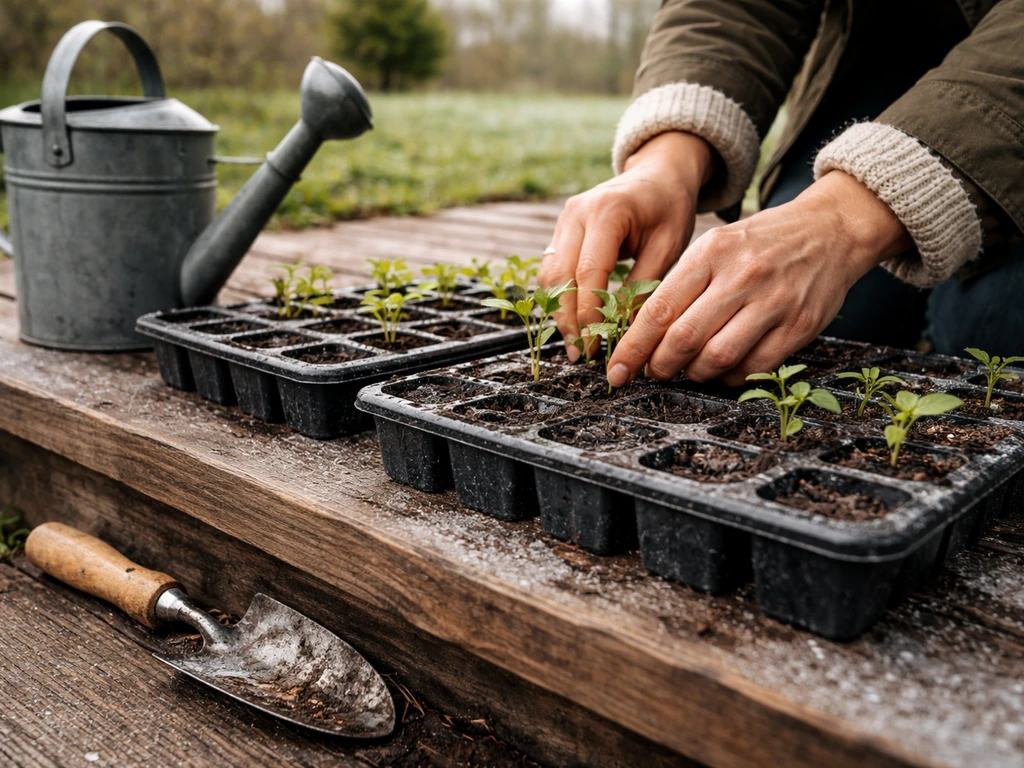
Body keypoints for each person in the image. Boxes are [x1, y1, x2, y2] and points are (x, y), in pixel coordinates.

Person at [538, 0, 1024, 389]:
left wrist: (843, 221)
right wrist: (666, 159)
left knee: (990, 338)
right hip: (872, 58)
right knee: (789, 328)